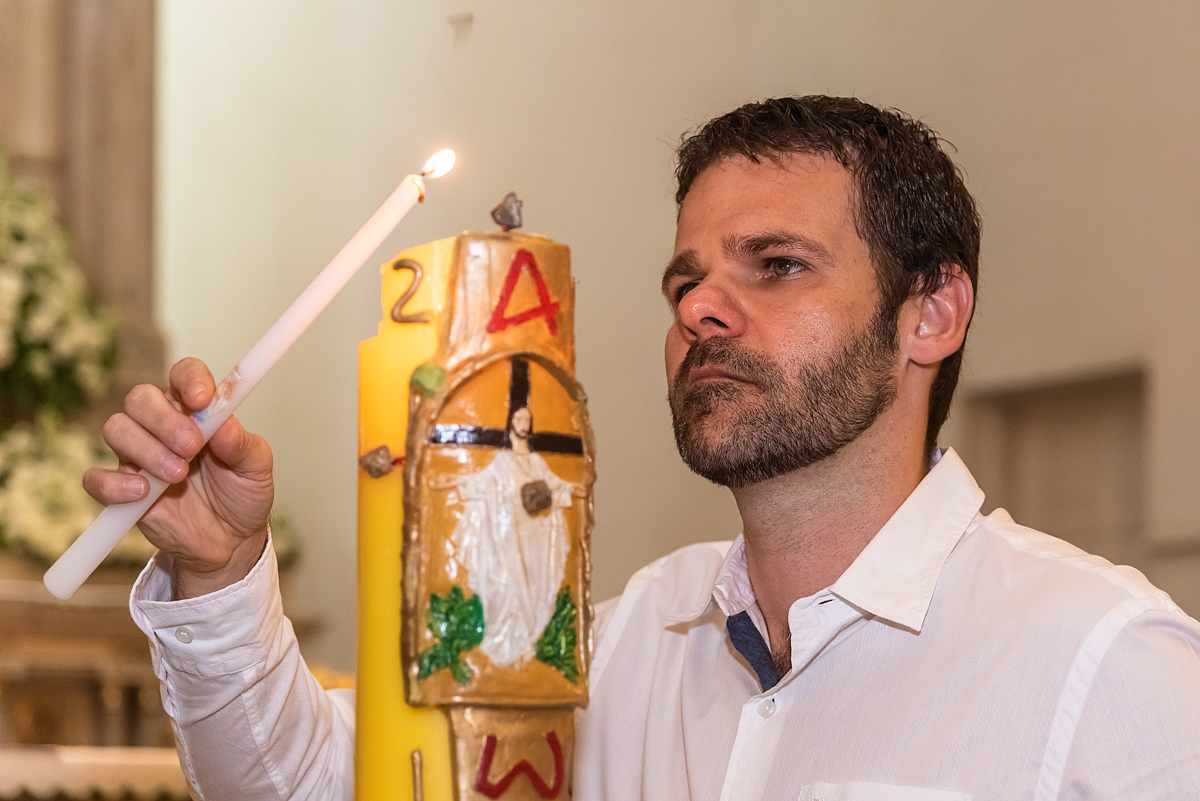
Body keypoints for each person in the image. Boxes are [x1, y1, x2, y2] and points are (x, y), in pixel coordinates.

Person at [88, 96, 1200, 800]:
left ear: (931, 313)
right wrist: (220, 571)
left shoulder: (1098, 662)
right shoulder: (614, 653)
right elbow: (325, 788)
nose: (702, 310)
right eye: (686, 281)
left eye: (776, 265)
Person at [435, 405, 579, 667]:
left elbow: (554, 484)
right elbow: (483, 481)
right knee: (506, 586)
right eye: (519, 419)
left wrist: (572, 488)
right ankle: (505, 643)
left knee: (534, 584)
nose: (524, 424)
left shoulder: (535, 461)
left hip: (534, 533)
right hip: (507, 537)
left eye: (527, 419)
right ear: (510, 422)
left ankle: (530, 641)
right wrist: (454, 480)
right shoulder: (502, 460)